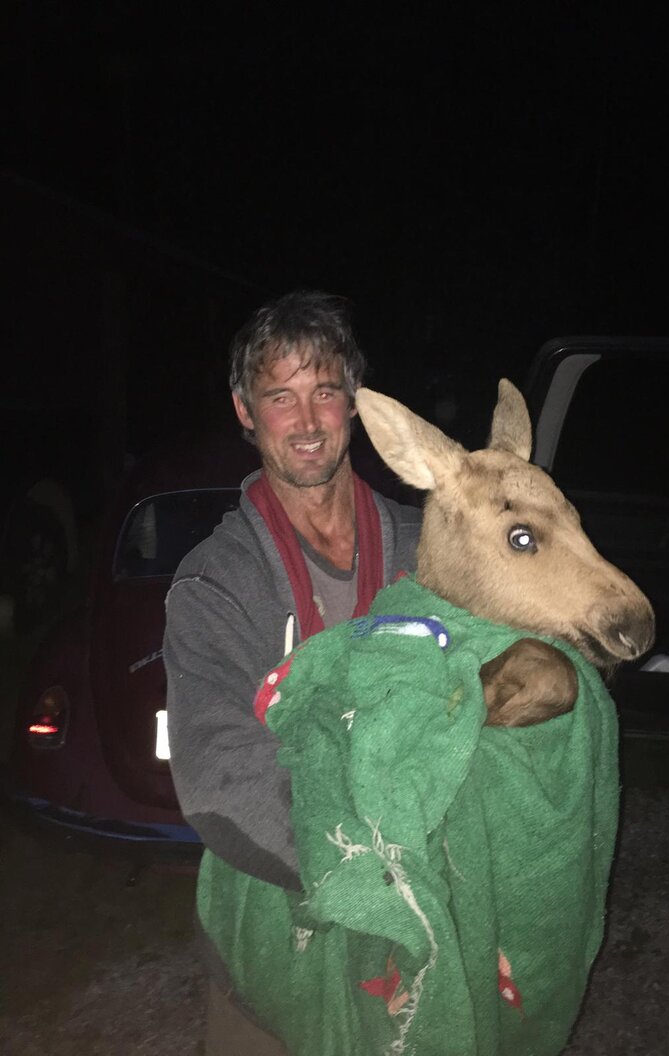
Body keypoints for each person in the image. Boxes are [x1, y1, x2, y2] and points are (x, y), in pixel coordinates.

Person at [163, 291, 422, 1052]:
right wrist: (379, 875)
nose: (307, 424)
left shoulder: (427, 549)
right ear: (246, 411)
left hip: (416, 933)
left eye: (325, 392)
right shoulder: (214, 583)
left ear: (355, 404)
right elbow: (216, 772)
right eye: (281, 397)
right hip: (274, 928)